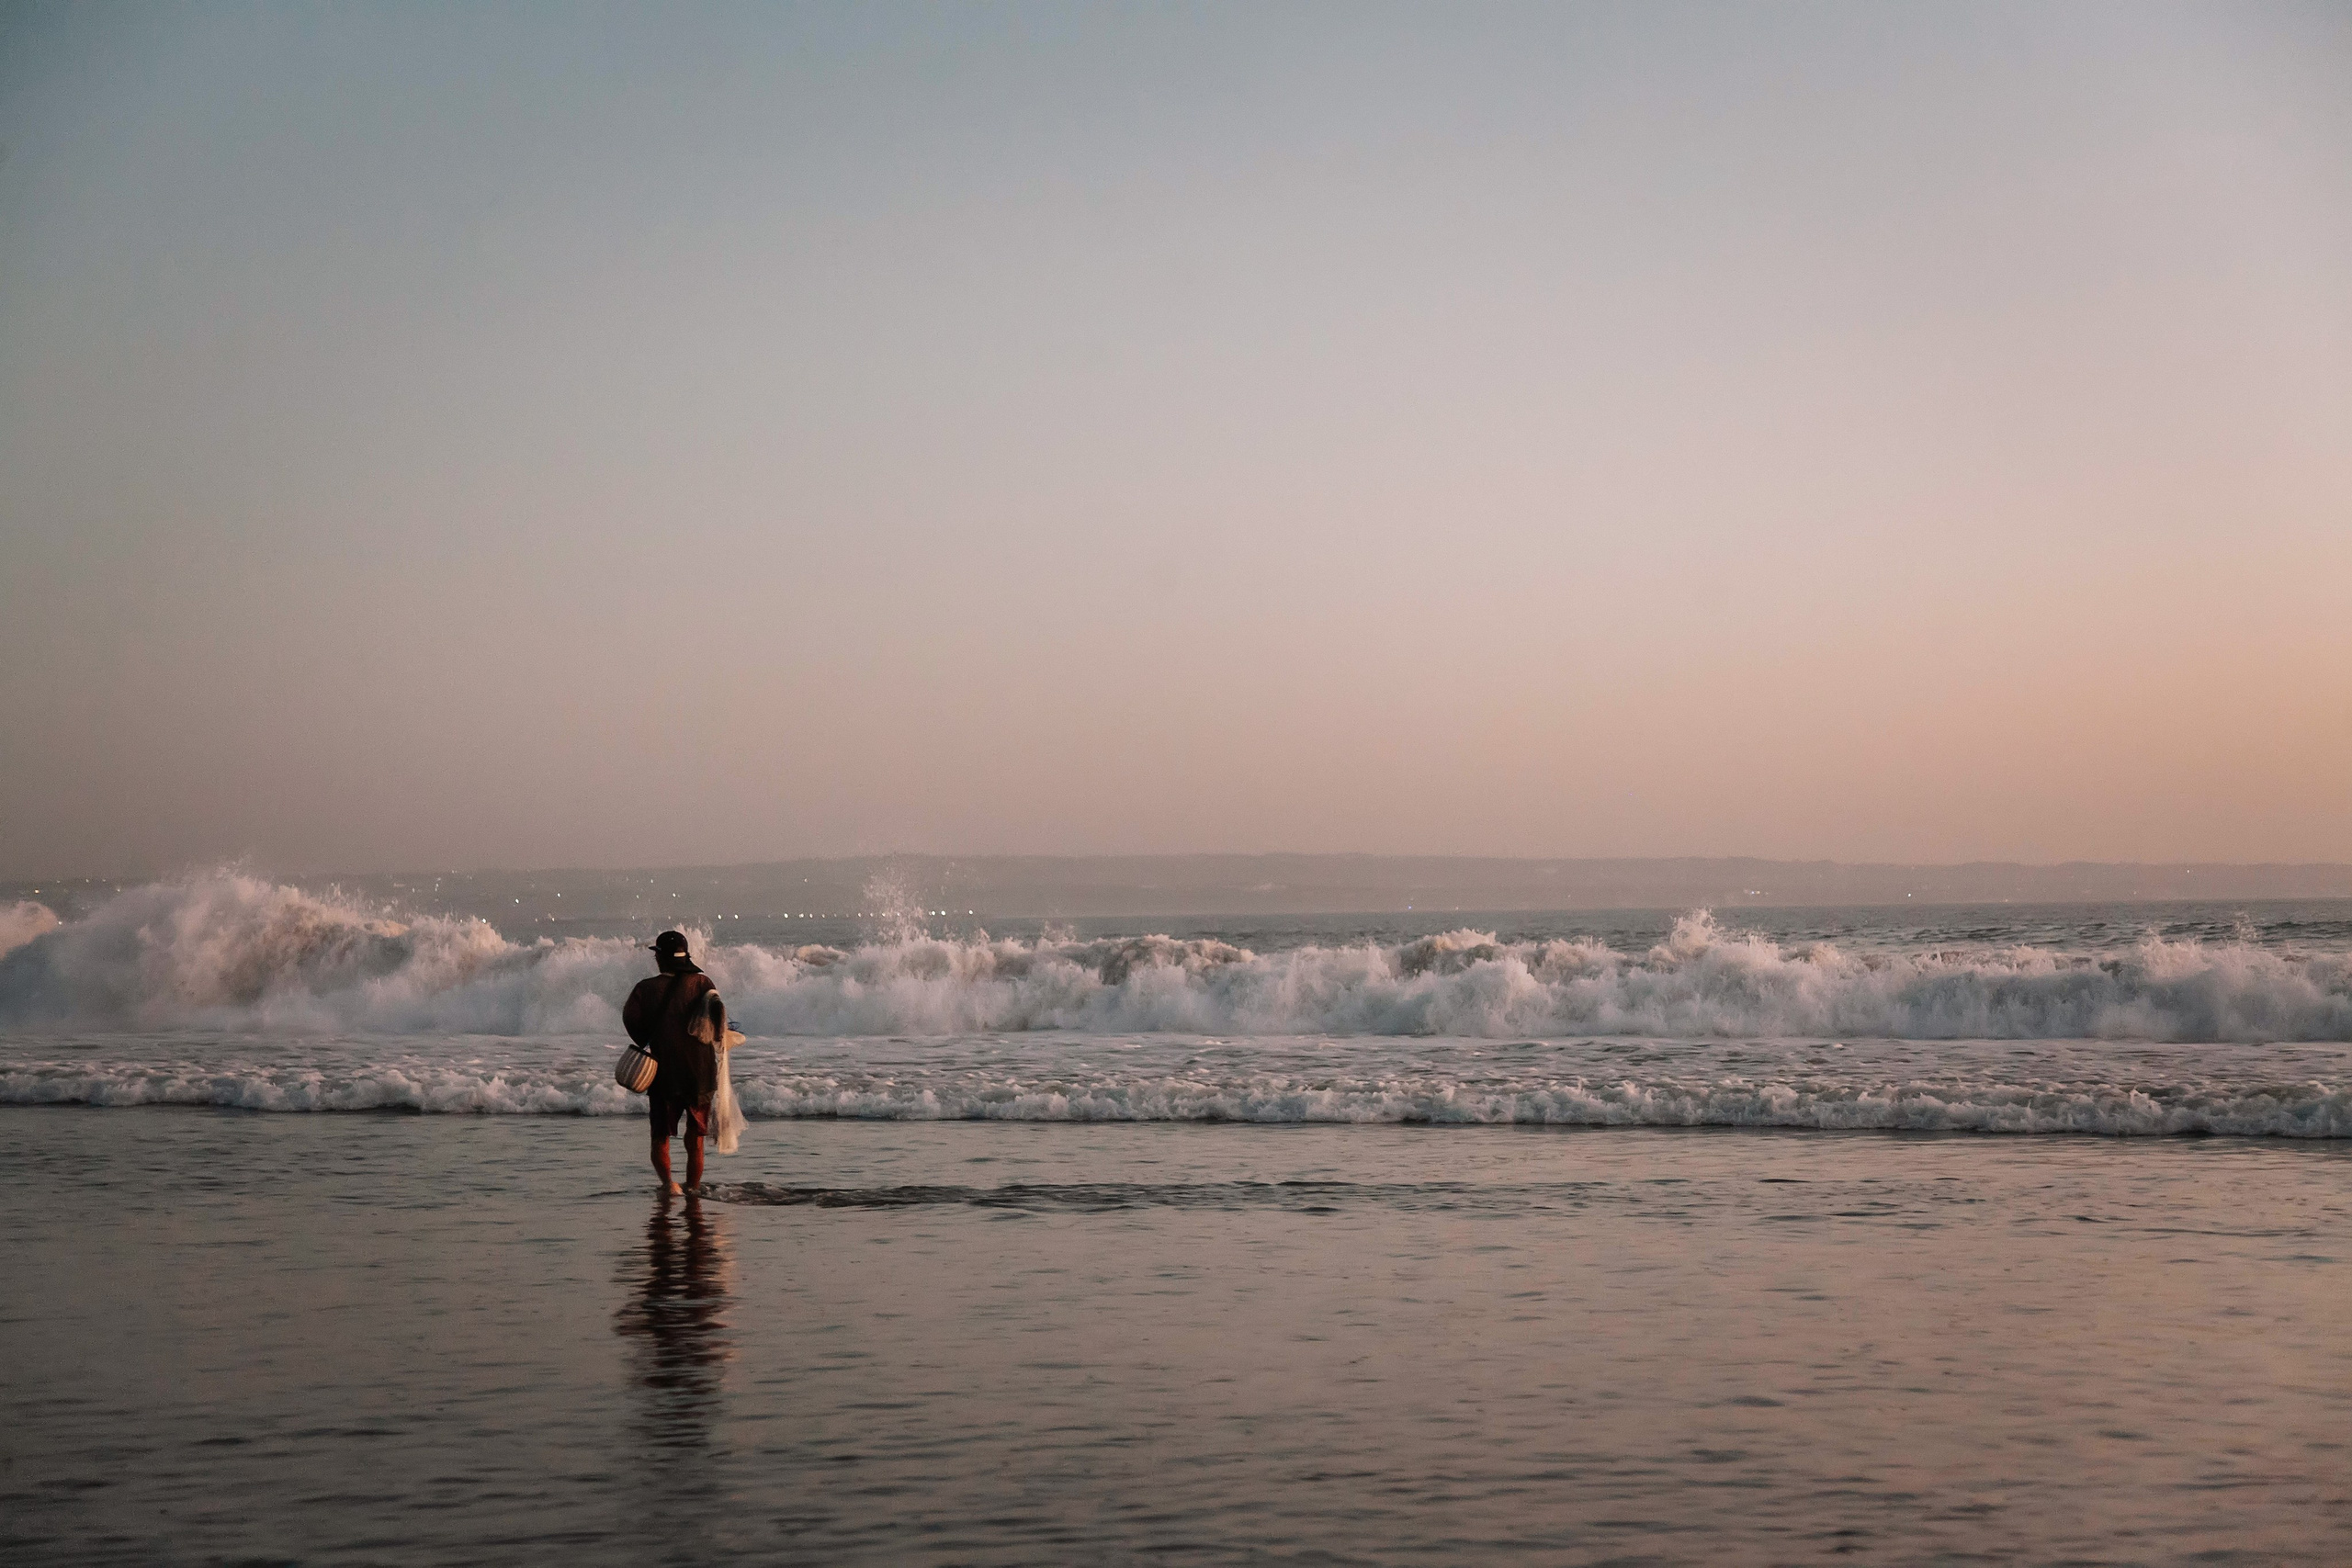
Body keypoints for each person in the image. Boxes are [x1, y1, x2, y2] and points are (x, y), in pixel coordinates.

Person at [623, 931, 729, 1194]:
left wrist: (648, 1037)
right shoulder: (703, 983)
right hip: (700, 1074)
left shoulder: (645, 989)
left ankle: (669, 1186)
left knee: (660, 1138)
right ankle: (693, 1189)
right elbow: (718, 1020)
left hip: (663, 1075)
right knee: (696, 1141)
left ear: (660, 958)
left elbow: (630, 1018)